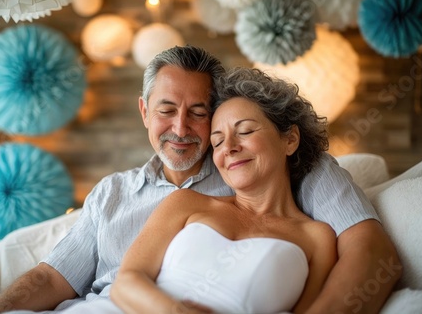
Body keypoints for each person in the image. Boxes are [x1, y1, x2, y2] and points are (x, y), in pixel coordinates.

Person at [0, 45, 400, 314]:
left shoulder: (288, 170)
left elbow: (371, 252)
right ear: (144, 111)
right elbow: (52, 278)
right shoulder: (113, 193)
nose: (181, 128)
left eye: (199, 113)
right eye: (166, 109)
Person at [61, 66, 338, 314]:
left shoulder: (318, 238)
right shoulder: (187, 202)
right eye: (217, 142)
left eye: (245, 131)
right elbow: (126, 283)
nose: (229, 148)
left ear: (290, 140)